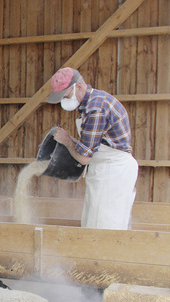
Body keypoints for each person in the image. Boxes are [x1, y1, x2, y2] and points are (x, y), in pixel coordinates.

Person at [46, 67, 138, 230]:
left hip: (112, 172)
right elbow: (92, 145)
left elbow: (84, 158)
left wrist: (67, 141)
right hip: (104, 167)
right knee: (93, 224)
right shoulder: (90, 104)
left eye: (66, 95)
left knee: (103, 228)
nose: (64, 100)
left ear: (79, 86)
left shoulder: (96, 109)